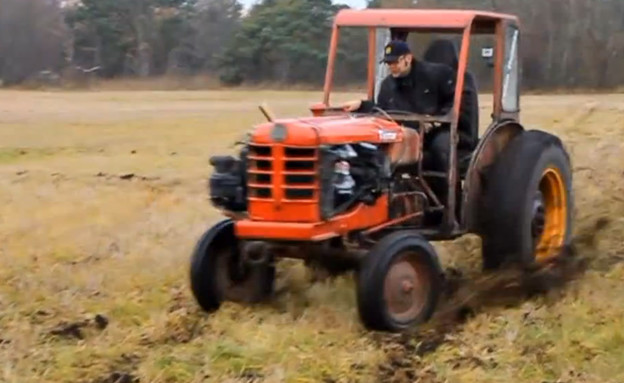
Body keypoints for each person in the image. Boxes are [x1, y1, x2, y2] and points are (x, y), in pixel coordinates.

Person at [341, 40, 458, 206]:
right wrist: (362, 105)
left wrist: (436, 120)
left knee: (442, 149)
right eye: (388, 63)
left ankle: (447, 204)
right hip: (404, 134)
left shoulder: (436, 75)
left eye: (395, 62)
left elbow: (454, 103)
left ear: (408, 59)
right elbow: (381, 110)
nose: (391, 67)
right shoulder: (388, 85)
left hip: (436, 131)